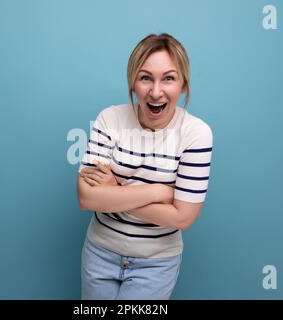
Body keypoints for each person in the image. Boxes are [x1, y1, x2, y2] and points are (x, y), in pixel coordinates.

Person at [77, 33, 213, 300]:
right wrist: (161, 192)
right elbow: (87, 197)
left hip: (157, 265)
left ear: (183, 84)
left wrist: (115, 189)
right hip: (99, 254)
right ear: (133, 82)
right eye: (145, 77)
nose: (155, 91)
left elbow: (183, 218)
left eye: (169, 78)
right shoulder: (109, 119)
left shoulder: (196, 133)